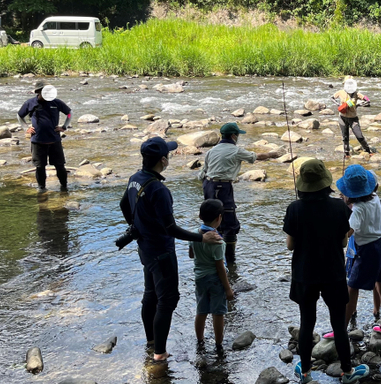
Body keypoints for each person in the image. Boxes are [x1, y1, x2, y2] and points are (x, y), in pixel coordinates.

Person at [120, 137, 222, 362]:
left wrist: (134, 226)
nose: (170, 157)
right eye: (169, 154)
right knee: (168, 299)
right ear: (163, 160)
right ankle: (160, 352)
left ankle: (151, 342)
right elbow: (171, 228)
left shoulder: (135, 178)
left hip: (145, 248)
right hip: (162, 251)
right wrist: (201, 237)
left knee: (150, 295)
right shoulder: (158, 190)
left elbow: (123, 205)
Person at [283, 159, 370, 384]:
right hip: (333, 273)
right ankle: (347, 371)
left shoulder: (294, 208)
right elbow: (343, 242)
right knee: (338, 324)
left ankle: (305, 372)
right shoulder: (339, 207)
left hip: (304, 273)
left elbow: (290, 245)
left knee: (307, 322)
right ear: (325, 182)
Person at [326, 165, 381, 338]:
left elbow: (349, 232)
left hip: (368, 250)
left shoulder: (358, 210)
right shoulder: (375, 198)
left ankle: (341, 330)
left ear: (349, 194)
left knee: (352, 287)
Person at [198, 122, 281, 265]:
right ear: (233, 136)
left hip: (208, 185)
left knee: (211, 219)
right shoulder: (235, 150)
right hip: (222, 187)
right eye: (237, 135)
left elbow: (203, 172)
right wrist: (273, 154)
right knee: (229, 223)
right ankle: (230, 261)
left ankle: (209, 255)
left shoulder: (212, 150)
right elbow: (256, 156)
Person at [189, 199, 235, 354]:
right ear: (219, 218)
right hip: (215, 280)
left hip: (199, 278)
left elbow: (191, 254)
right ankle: (219, 344)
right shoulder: (218, 242)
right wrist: (228, 289)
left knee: (201, 310)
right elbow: (220, 267)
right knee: (218, 312)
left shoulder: (195, 234)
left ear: (200, 216)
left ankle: (200, 341)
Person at [17, 80, 72, 192]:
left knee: (60, 166)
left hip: (54, 140)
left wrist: (64, 126)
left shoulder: (56, 102)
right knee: (40, 167)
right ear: (38, 92)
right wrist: (25, 127)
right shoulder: (30, 103)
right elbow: (19, 115)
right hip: (38, 141)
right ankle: (42, 189)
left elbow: (70, 113)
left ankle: (64, 187)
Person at [332, 77, 376, 156]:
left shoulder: (356, 93)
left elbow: (367, 100)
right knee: (345, 137)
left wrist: (358, 105)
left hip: (353, 118)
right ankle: (347, 154)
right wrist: (338, 104)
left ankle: (368, 151)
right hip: (342, 117)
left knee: (359, 136)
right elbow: (332, 98)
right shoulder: (340, 92)